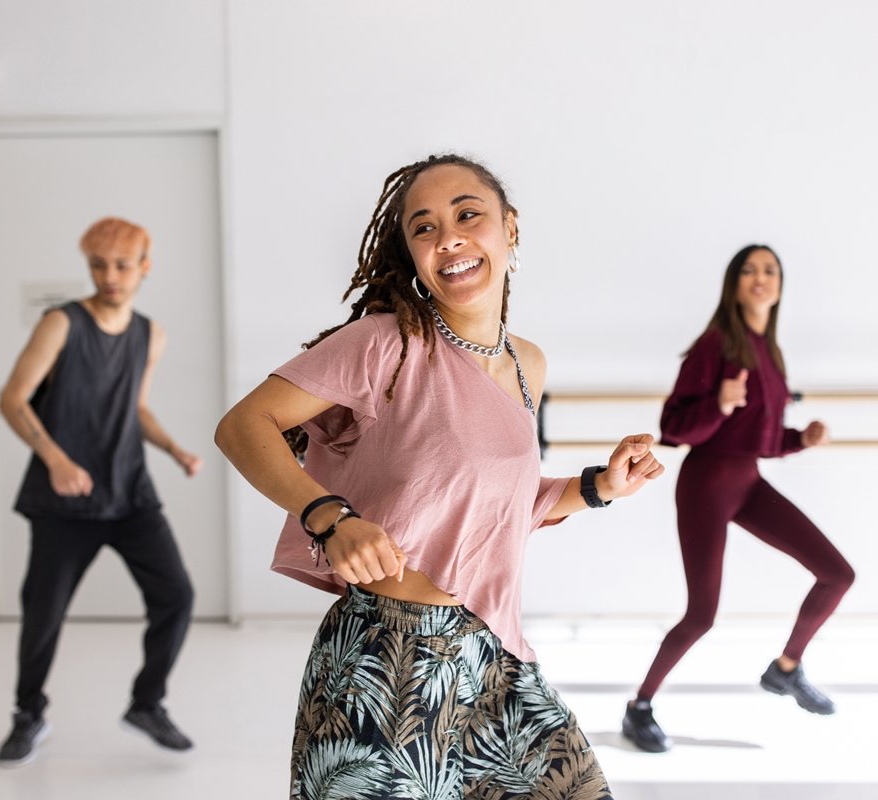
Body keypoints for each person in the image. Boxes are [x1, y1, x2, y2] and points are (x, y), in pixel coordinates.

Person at [216, 154, 664, 797]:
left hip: (492, 661)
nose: (447, 236)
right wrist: (329, 516)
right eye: (423, 227)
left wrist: (600, 488)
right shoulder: (385, 344)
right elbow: (243, 425)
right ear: (412, 253)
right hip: (384, 664)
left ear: (510, 229)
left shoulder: (527, 363)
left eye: (467, 214)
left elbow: (489, 506)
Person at [622, 244, 856, 754]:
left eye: (770, 270)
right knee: (702, 615)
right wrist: (719, 404)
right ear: (733, 283)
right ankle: (639, 706)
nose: (760, 278)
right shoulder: (715, 344)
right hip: (706, 484)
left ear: (780, 285)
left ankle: (786, 669)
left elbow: (763, 440)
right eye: (749, 269)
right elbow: (674, 429)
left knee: (838, 574)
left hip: (747, 481)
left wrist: (802, 439)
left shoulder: (769, 352)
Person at [0, 217, 200, 767]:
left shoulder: (149, 334)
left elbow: (135, 408)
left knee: (176, 597)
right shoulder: (61, 324)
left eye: (122, 265)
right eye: (98, 265)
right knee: (43, 613)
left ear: (144, 266)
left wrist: (174, 449)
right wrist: (57, 460)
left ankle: (147, 704)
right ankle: (28, 713)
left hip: (131, 493)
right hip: (64, 500)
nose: (110, 276)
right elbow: (13, 399)